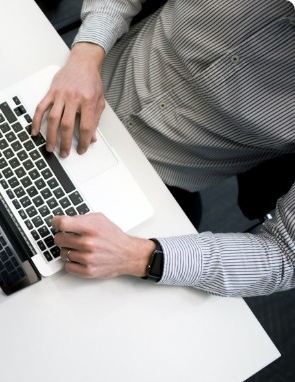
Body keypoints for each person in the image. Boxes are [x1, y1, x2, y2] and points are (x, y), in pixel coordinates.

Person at [31, 0, 295, 296]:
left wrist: (137, 256)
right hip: (71, 83)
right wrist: (87, 53)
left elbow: (285, 256)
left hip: (152, 190)